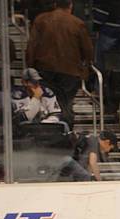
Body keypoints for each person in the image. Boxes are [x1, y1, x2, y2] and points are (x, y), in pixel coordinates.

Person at [26, 0, 93, 130]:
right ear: (71, 6)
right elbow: (88, 50)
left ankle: (45, 134)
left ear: (55, 4)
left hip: (44, 68)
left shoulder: (41, 20)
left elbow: (32, 46)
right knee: (65, 104)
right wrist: (86, 67)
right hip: (70, 71)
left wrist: (30, 67)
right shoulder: (77, 23)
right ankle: (66, 133)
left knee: (45, 104)